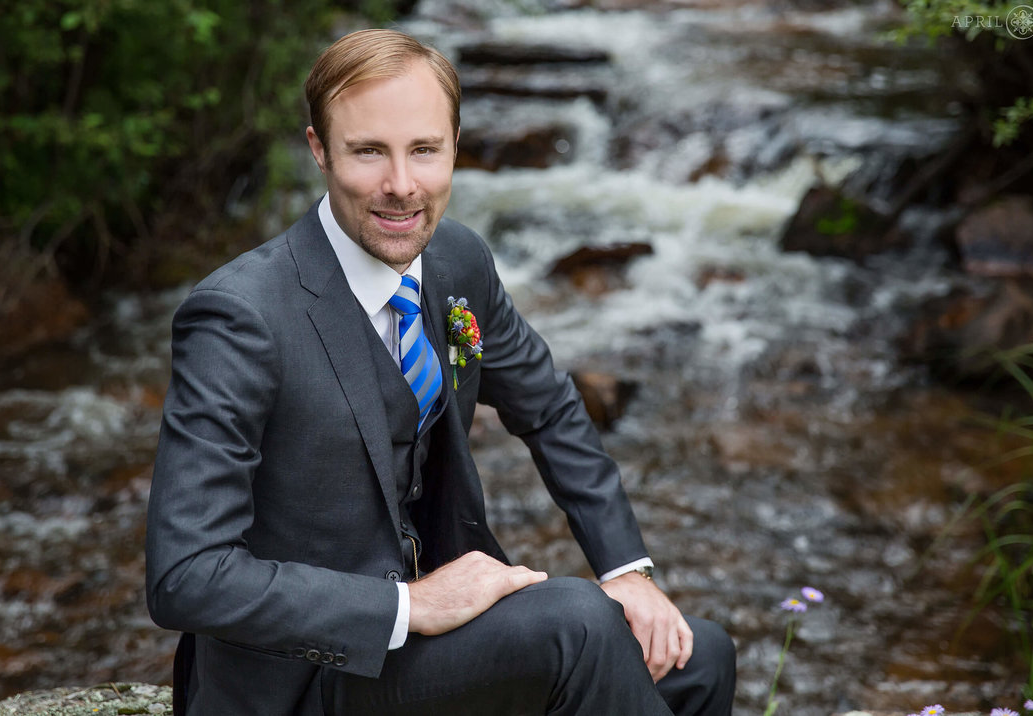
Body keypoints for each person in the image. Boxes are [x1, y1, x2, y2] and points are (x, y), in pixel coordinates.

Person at [145, 28, 736, 716]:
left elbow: (548, 408)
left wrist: (627, 570)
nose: (401, 187)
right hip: (305, 679)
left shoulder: (458, 262)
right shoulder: (239, 315)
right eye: (369, 152)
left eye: (424, 150)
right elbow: (185, 576)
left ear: (456, 146)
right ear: (318, 151)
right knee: (577, 623)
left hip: (432, 652)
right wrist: (410, 603)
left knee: (699, 654)